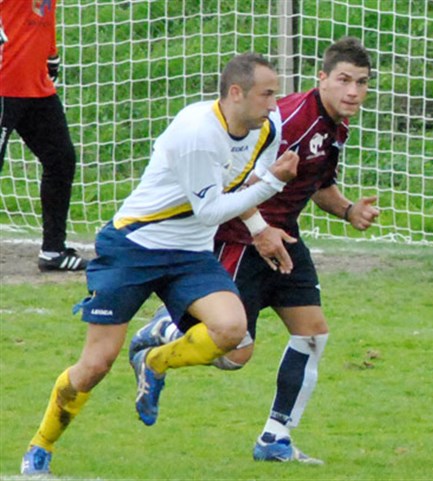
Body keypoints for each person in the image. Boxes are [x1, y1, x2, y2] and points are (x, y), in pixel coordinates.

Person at [20, 53, 299, 476]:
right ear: (236, 93)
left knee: (231, 331)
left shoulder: (267, 130)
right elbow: (211, 210)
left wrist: (260, 228)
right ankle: (40, 447)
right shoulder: (197, 133)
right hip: (134, 247)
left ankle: (153, 362)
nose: (275, 104)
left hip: (189, 255)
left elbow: (239, 185)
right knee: (95, 364)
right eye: (267, 94)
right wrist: (275, 183)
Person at [129, 37, 379, 464]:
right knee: (236, 353)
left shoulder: (336, 124)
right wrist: (260, 231)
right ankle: (164, 331)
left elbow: (316, 182)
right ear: (322, 78)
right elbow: (238, 182)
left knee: (313, 332)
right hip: (244, 237)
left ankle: (274, 439)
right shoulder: (290, 120)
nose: (353, 91)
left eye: (362, 82)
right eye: (343, 80)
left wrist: (348, 210)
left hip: (284, 235)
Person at [0, 0, 88, 271]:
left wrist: (51, 59)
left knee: (61, 160)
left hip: (36, 87)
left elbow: (43, 19)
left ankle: (53, 251)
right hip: (3, 85)